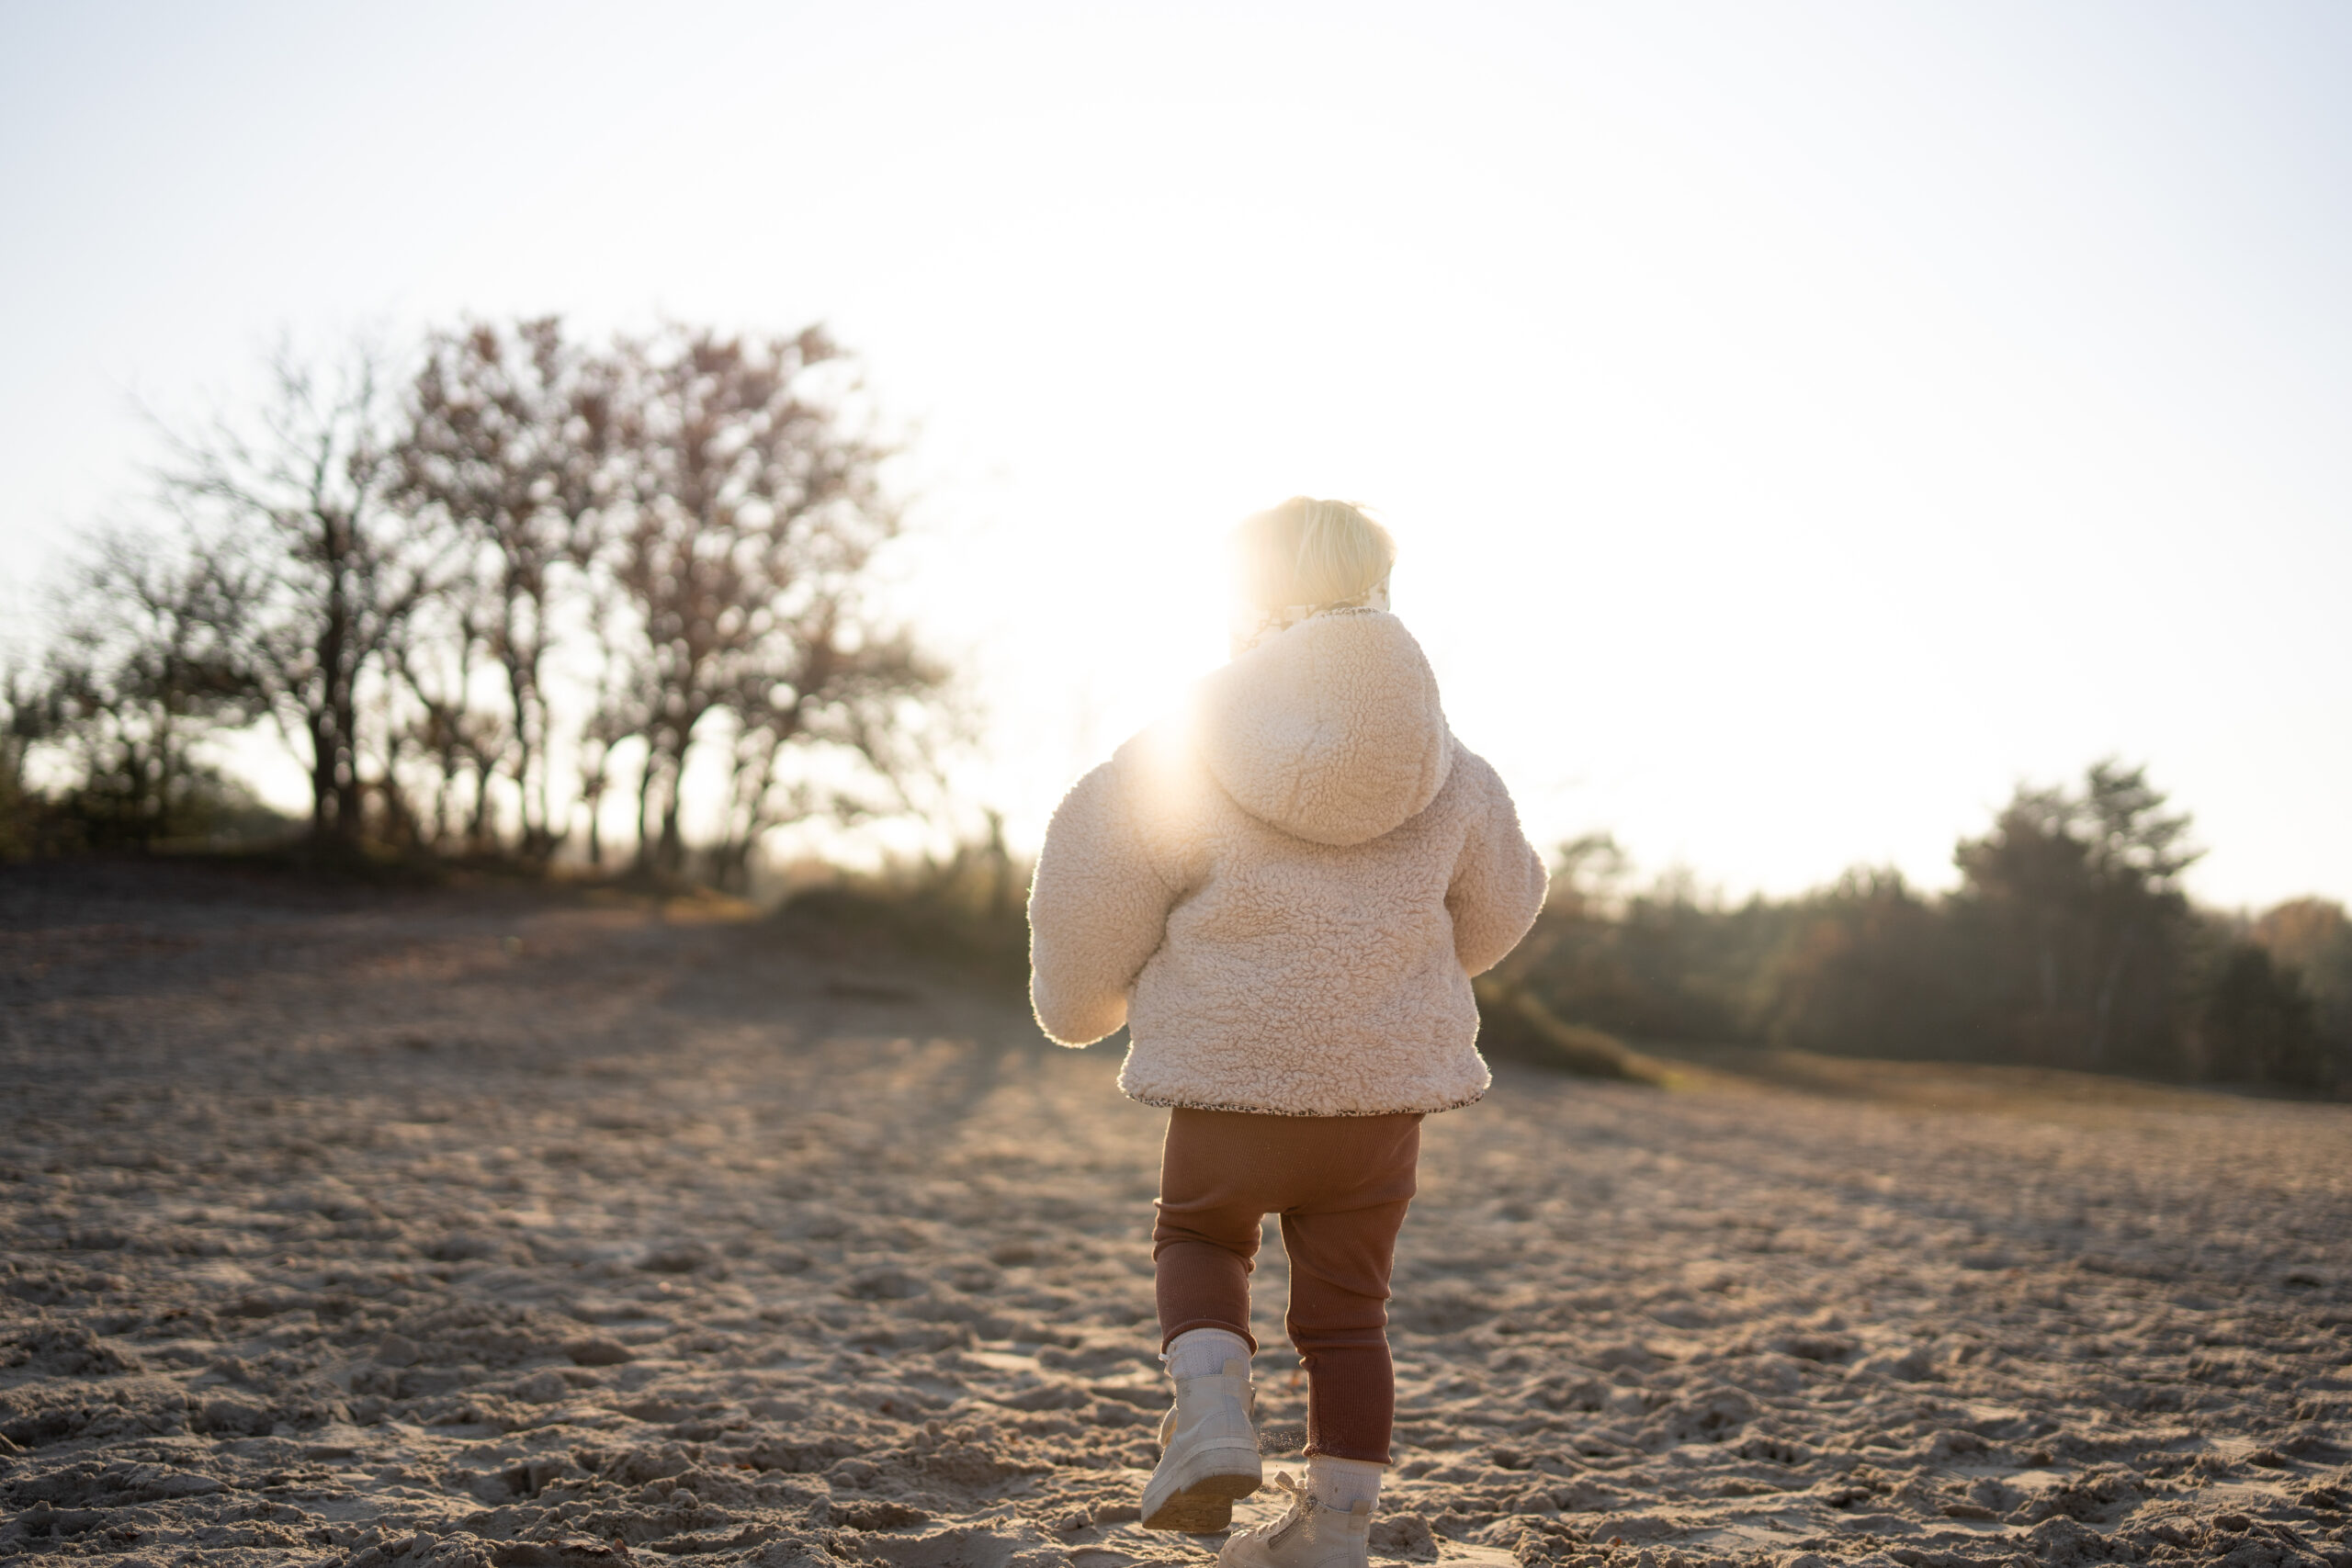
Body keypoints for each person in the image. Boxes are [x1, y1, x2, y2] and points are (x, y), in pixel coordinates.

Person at [1026, 498, 1548, 1568]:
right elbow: (1499, 914)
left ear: (1247, 599)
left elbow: (1094, 878)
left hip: (1229, 1076)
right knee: (1351, 1318)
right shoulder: (1454, 770)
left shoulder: (1182, 749)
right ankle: (1336, 1531)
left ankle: (1213, 1415)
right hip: (1378, 1097)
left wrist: (1081, 1004)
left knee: (1200, 1240)